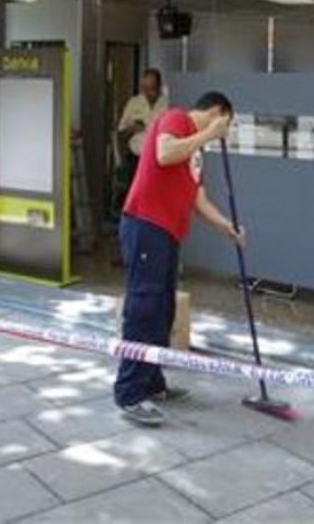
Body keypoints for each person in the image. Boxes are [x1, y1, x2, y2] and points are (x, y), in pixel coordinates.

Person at [114, 90, 244, 426]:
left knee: (162, 309)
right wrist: (208, 134)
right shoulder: (176, 119)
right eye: (226, 124)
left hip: (167, 234)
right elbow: (164, 152)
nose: (223, 134)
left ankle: (152, 381)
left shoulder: (196, 150)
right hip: (145, 224)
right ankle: (129, 392)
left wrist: (226, 227)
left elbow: (197, 198)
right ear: (217, 112)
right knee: (143, 307)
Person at [111, 69, 167, 217]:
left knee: (156, 197)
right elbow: (120, 133)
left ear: (159, 86)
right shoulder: (134, 103)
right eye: (145, 88)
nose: (148, 93)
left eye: (152, 89)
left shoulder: (167, 104)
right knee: (135, 197)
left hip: (159, 159)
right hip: (136, 159)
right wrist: (132, 129)